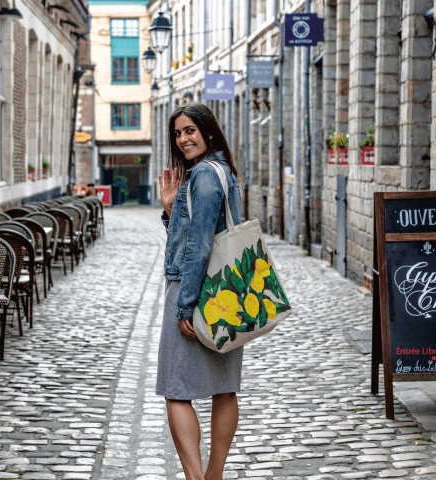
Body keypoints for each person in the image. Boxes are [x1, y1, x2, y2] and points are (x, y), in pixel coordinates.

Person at [156, 103, 243, 480]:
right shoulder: (220, 172)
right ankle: (213, 475)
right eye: (177, 133)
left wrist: (185, 306)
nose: (183, 139)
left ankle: (198, 479)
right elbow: (196, 235)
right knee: (224, 389)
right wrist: (171, 210)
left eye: (190, 130)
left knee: (176, 390)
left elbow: (200, 247)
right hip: (228, 292)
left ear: (208, 132)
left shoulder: (204, 177)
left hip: (195, 292)